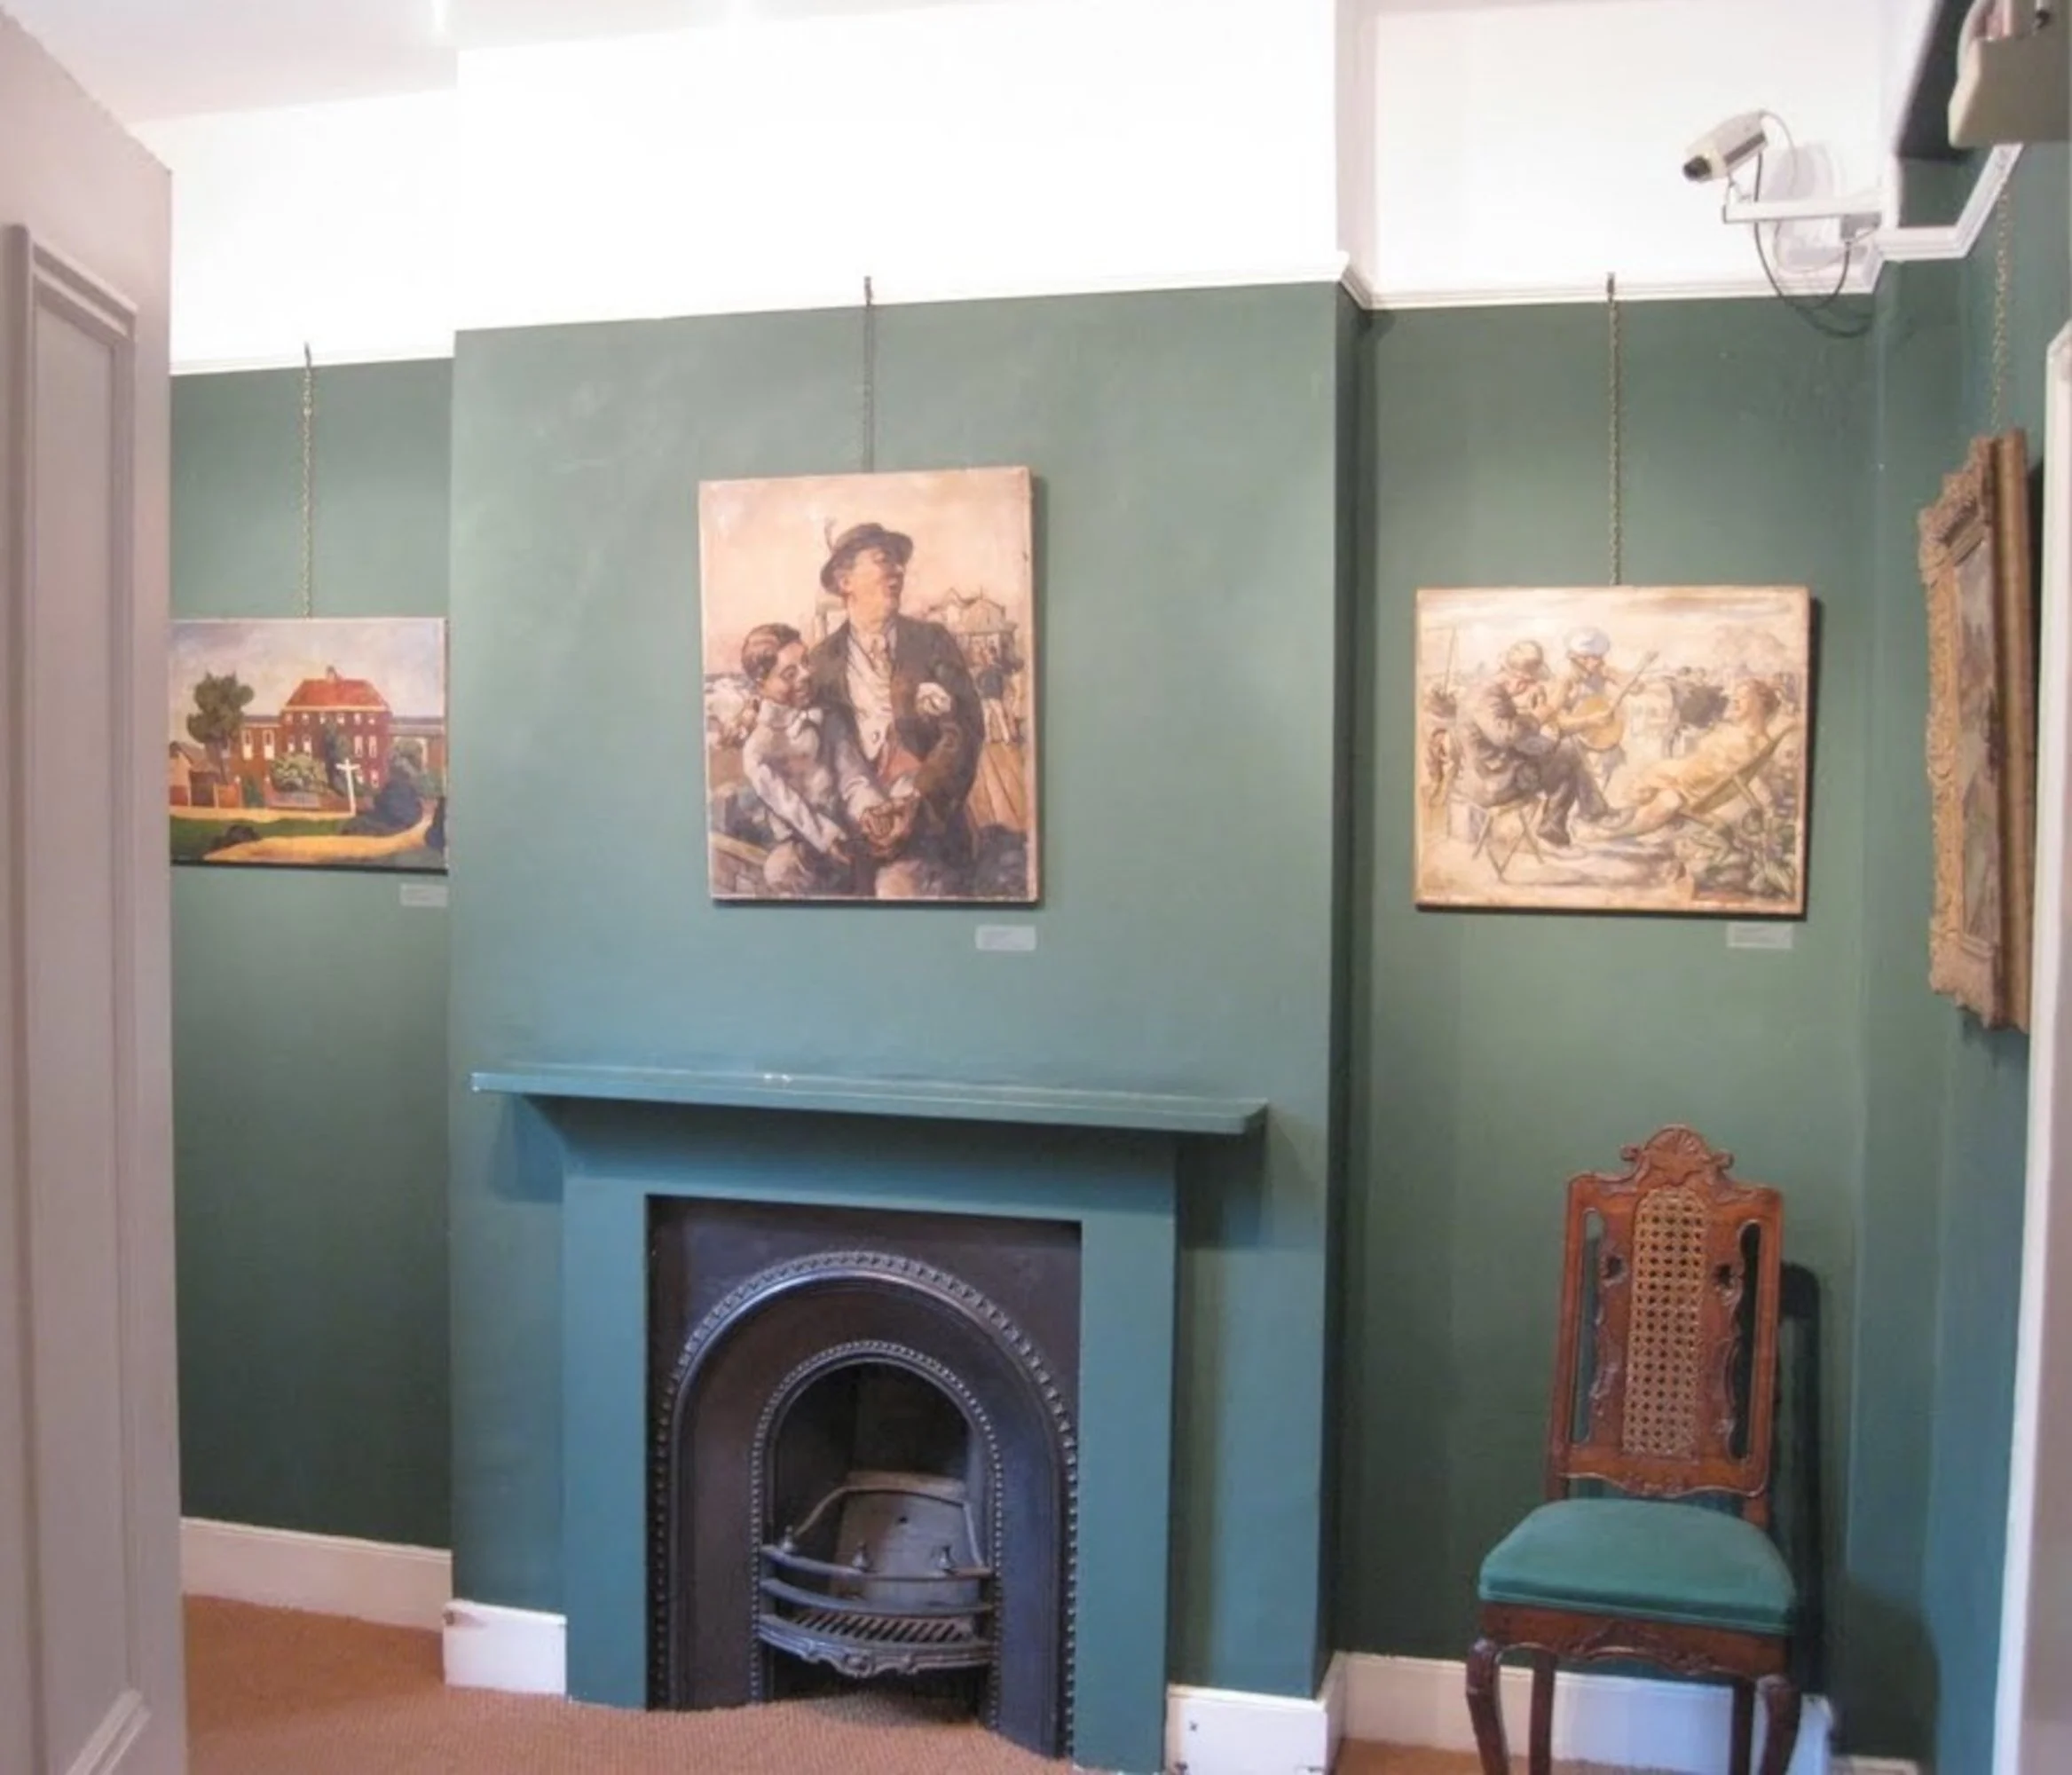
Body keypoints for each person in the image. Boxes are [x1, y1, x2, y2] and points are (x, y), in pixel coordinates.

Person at [806, 521, 986, 898]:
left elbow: (964, 732)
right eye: (883, 560)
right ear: (845, 581)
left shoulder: (932, 641)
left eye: (900, 563)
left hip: (928, 826)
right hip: (853, 828)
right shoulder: (821, 662)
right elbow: (815, 754)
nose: (898, 571)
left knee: (898, 891)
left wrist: (918, 803)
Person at [737, 622, 886, 897]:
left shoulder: (827, 718)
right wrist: (828, 839)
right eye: (789, 674)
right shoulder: (758, 749)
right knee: (782, 869)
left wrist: (870, 810)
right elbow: (791, 807)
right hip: (803, 840)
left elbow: (853, 776)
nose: (805, 675)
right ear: (762, 684)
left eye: (805, 663)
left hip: (850, 830)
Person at [1454, 639, 1620, 848]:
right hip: (1494, 782)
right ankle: (1565, 822)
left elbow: (1517, 737)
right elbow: (1504, 736)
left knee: (1564, 750)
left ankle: (1580, 815)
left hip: (1496, 770)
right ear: (1517, 677)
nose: (1530, 688)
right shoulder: (1486, 697)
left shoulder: (1493, 693)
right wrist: (1543, 713)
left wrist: (1553, 734)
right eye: (1529, 682)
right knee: (1567, 756)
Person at [1619, 677, 1784, 838]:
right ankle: (1630, 814)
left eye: (1743, 697)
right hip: (1688, 775)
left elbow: (1720, 773)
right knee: (1647, 780)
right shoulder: (1737, 733)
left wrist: (1676, 780)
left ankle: (1627, 823)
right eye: (1736, 696)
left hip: (1691, 787)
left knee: (1650, 786)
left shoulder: (1749, 741)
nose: (1735, 701)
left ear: (1760, 703)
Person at [1543, 626, 1635, 790]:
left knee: (1607, 767)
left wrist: (1618, 676)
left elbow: (1637, 687)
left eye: (1599, 657)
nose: (1599, 662)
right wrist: (1589, 721)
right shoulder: (1564, 680)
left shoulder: (1600, 671)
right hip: (1575, 742)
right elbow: (1555, 720)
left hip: (1600, 737)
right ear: (1577, 658)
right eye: (1593, 658)